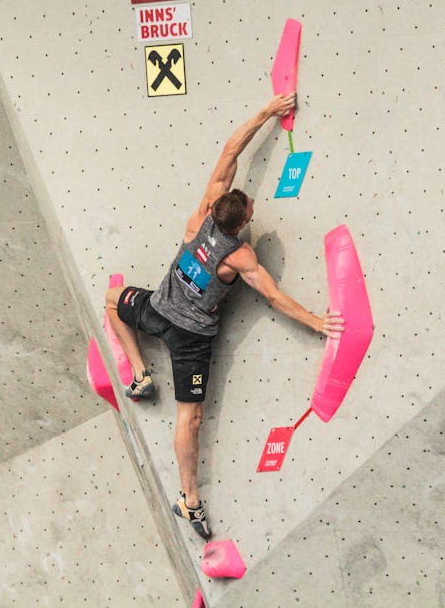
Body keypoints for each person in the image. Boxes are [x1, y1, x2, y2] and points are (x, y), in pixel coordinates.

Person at [104, 91, 344, 540]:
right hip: (189, 340)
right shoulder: (240, 257)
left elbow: (231, 152)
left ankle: (139, 373)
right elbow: (274, 297)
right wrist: (317, 322)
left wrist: (265, 112)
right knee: (189, 419)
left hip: (156, 311)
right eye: (251, 208)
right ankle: (189, 500)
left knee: (114, 299)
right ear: (241, 222)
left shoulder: (201, 214)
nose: (253, 206)